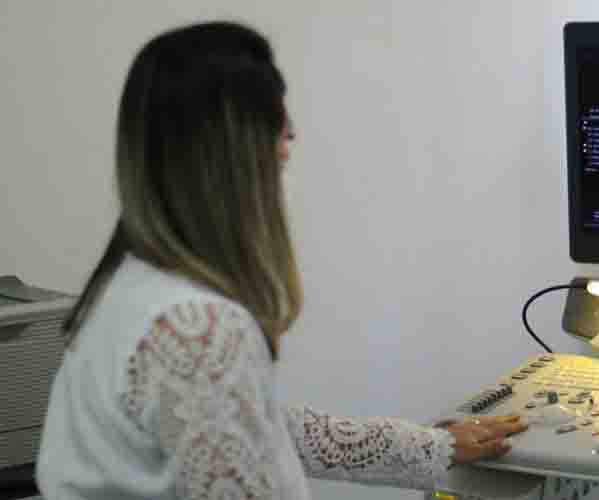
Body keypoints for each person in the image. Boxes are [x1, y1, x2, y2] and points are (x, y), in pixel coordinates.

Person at [35, 21, 527, 499]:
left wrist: (432, 448)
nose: (287, 167)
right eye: (283, 146)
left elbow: (256, 425)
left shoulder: (130, 286)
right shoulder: (198, 328)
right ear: (240, 162)